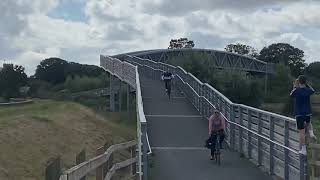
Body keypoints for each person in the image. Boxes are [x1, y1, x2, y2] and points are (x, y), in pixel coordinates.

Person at [290, 75, 316, 155]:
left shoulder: (296, 91)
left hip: (299, 114)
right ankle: (311, 133)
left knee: (301, 133)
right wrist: (306, 84)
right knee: (309, 123)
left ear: (299, 82)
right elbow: (313, 90)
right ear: (305, 82)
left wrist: (295, 86)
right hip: (307, 112)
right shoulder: (308, 90)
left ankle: (303, 149)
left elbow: (291, 94)